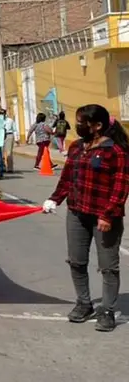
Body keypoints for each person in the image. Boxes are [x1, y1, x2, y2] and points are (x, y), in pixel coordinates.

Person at [42, 104, 129, 332]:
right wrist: (55, 199)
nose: (78, 126)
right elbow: (68, 178)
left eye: (82, 122)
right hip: (77, 213)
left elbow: (120, 188)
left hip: (104, 217)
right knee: (77, 261)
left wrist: (108, 215)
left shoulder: (116, 152)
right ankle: (84, 303)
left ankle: (108, 310)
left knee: (108, 266)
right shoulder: (76, 147)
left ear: (97, 125)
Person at [2, 108, 18, 173]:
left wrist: (16, 138)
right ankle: (2, 167)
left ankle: (10, 168)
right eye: (0, 113)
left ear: (5, 113)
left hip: (9, 135)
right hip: (0, 136)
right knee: (1, 152)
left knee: (9, 153)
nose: (1, 114)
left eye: (2, 113)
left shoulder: (10, 120)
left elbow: (15, 129)